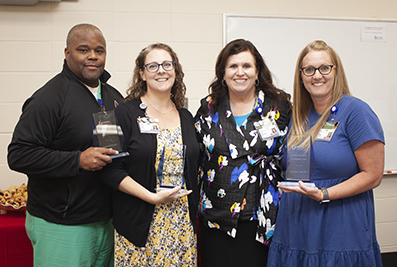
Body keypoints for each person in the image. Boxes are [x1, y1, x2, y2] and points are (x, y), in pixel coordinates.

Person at [7, 24, 123, 266]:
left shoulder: (113, 96)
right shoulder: (49, 98)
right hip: (63, 224)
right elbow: (18, 154)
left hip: (107, 220)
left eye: (99, 51)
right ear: (67, 53)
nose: (93, 56)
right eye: (84, 50)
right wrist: (77, 160)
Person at [267, 40, 384, 267]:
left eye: (324, 68)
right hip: (298, 221)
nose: (316, 75)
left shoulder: (356, 111)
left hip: (340, 223)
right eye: (309, 70)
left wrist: (324, 193)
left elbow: (373, 174)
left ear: (336, 71)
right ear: (301, 76)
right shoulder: (299, 116)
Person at [99, 43, 199, 266]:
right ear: (142, 73)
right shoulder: (120, 112)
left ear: (175, 70)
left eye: (167, 64)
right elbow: (108, 168)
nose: (161, 71)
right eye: (152, 66)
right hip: (139, 225)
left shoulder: (186, 116)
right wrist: (152, 197)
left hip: (181, 224)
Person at [195, 39, 292, 266]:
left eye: (247, 66)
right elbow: (193, 152)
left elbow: (295, 150)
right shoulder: (208, 107)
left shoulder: (279, 106)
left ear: (257, 71)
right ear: (223, 73)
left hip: (264, 215)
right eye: (233, 66)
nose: (240, 72)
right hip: (216, 214)